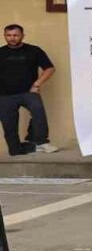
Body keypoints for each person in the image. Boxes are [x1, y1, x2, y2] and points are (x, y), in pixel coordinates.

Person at [0, 24, 57, 155]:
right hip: (4, 96)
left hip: (28, 92)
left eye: (15, 35)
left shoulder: (34, 50)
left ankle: (41, 142)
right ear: (5, 36)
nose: (12, 38)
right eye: (8, 35)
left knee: (38, 112)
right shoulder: (0, 52)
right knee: (13, 145)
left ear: (22, 35)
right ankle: (28, 147)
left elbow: (50, 68)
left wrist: (37, 84)